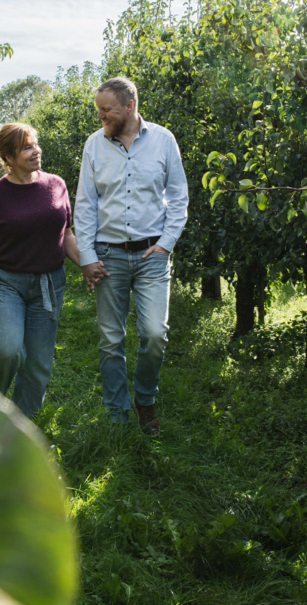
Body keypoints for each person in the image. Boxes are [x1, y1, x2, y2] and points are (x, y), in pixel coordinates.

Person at [74, 77, 188, 432]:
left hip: (152, 253)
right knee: (111, 339)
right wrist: (88, 255)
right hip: (108, 255)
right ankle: (116, 412)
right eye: (98, 109)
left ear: (129, 106)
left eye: (106, 110)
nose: (100, 116)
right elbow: (85, 204)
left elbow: (179, 196)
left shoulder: (163, 140)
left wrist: (166, 243)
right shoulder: (94, 145)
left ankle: (145, 397)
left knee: (155, 333)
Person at [0, 122, 93, 418]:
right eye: (27, 147)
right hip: (7, 284)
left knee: (38, 365)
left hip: (49, 286)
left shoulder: (56, 185)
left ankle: (17, 426)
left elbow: (65, 235)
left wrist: (87, 266)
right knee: (8, 350)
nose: (36, 151)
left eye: (35, 144)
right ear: (9, 159)